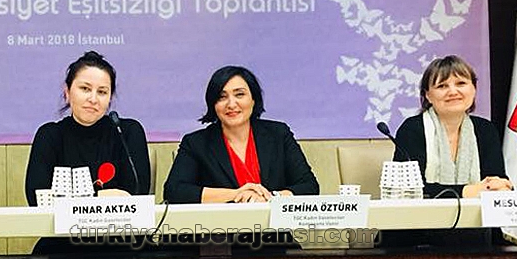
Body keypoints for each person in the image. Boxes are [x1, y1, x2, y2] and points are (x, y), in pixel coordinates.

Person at [164, 66, 319, 204]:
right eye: (222, 97)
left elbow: (309, 186)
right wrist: (237, 194)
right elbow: (174, 191)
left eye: (239, 94)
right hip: (220, 226)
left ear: (253, 99)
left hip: (274, 226)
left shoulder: (278, 134)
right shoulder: (196, 143)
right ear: (213, 104)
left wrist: (270, 197)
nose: (231, 104)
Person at [24, 51, 151, 206]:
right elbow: (36, 197)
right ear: (67, 92)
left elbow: (138, 193)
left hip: (121, 222)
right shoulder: (49, 136)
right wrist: (101, 197)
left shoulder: (128, 132)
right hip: (60, 222)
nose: (93, 99)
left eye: (102, 92)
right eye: (85, 89)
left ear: (110, 98)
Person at [393, 55, 512, 198]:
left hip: (478, 211)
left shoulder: (486, 130)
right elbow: (407, 189)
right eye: (442, 86)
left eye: (461, 83)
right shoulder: (412, 129)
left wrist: (500, 186)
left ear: (474, 89)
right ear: (428, 95)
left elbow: (495, 180)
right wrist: (466, 191)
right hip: (424, 212)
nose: (453, 92)